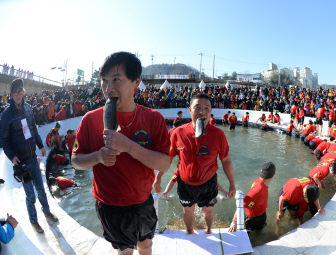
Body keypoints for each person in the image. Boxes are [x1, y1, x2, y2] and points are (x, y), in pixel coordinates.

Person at [71, 52, 171, 255]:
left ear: (136, 82)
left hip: (143, 200)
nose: (108, 88)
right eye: (104, 81)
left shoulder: (153, 118)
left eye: (116, 79)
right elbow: (75, 161)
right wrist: (98, 156)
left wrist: (130, 147)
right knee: (124, 251)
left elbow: (164, 164)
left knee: (146, 244)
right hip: (110, 204)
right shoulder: (90, 119)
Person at [168, 93, 236, 234]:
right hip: (185, 183)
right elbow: (168, 156)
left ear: (211, 111)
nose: (202, 112)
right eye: (197, 108)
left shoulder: (218, 134)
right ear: (190, 110)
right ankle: (189, 230)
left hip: (208, 182)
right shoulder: (178, 132)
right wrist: (158, 177)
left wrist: (232, 184)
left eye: (206, 108)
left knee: (209, 211)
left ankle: (209, 230)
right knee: (187, 211)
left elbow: (226, 160)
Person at [0, 78, 58, 234]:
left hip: (33, 157)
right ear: (11, 94)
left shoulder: (28, 108)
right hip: (22, 164)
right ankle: (34, 221)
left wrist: (40, 145)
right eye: (15, 92)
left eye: (20, 91)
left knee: (41, 189)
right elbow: (4, 140)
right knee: (30, 195)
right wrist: (12, 157)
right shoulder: (6, 115)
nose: (18, 95)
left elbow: (34, 130)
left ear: (23, 92)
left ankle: (46, 211)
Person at [228, 162, 276, 232]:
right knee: (247, 234)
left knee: (260, 231)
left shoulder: (259, 182)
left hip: (262, 214)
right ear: (273, 176)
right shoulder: (258, 189)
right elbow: (242, 204)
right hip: (252, 218)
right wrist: (234, 222)